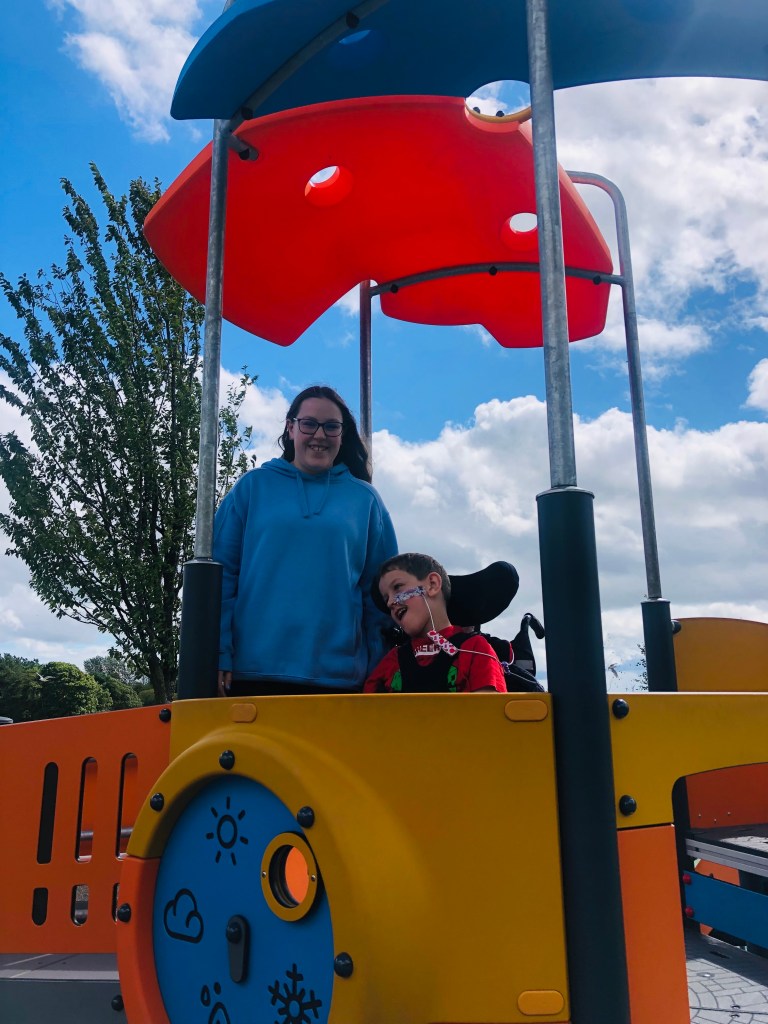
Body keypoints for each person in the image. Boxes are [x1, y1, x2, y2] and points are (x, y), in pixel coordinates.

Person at [214, 385, 397, 696]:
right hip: (251, 673)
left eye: (331, 426)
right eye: (309, 423)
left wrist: (380, 671)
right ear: (291, 428)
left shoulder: (365, 501)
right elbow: (220, 577)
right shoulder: (252, 488)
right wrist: (218, 651)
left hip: (341, 680)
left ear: (342, 433)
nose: (320, 435)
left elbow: (380, 595)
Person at [364, 553, 507, 694]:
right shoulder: (392, 659)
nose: (390, 603)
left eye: (397, 587)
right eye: (386, 598)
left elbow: (489, 711)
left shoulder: (474, 649)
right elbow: (363, 712)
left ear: (432, 584)